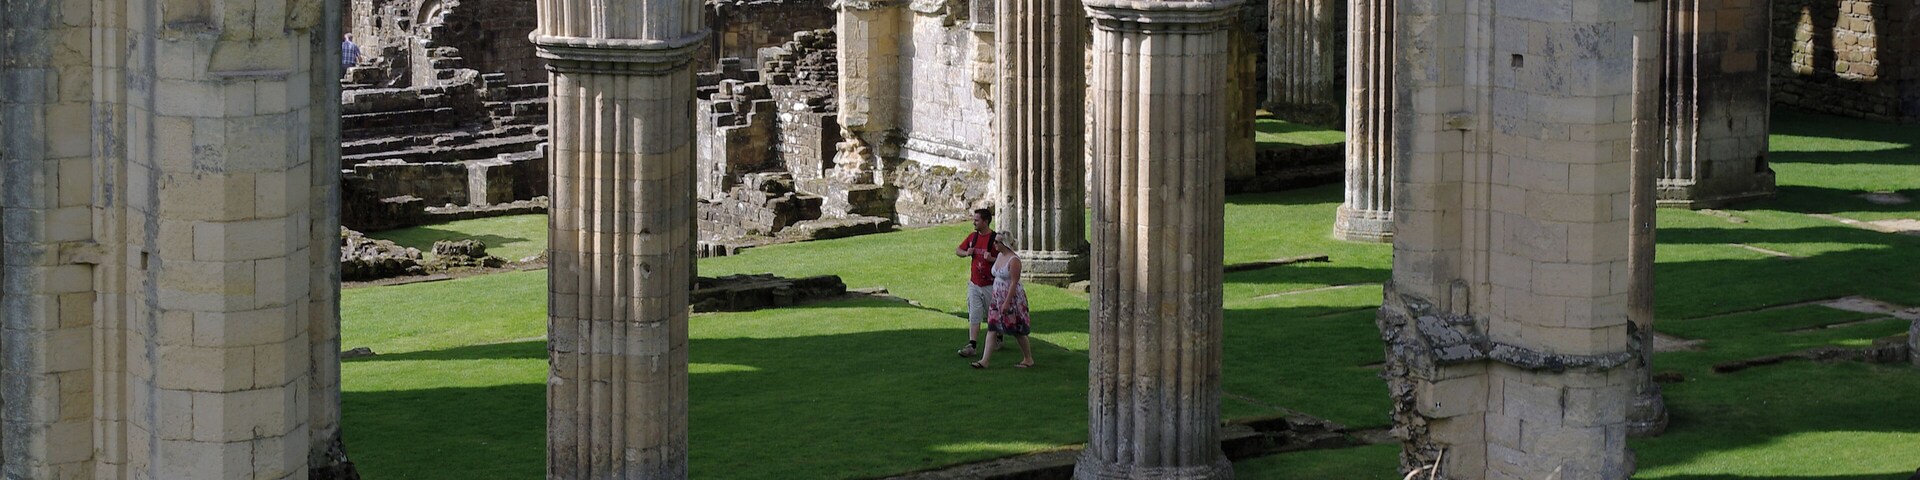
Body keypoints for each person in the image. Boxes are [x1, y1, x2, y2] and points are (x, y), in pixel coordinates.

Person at [970, 233, 1033, 369]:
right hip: (997, 297)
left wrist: (1007, 302)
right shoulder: (999, 256)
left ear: (1005, 244)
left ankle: (1028, 358)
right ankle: (984, 361)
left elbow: (1014, 283)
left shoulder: (1014, 260)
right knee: (992, 327)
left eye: (997, 242)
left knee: (1017, 330)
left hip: (1011, 298)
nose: (994, 244)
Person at [955, 208, 1001, 357]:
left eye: (976, 220)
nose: (973, 222)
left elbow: (1006, 259)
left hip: (991, 285)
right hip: (974, 284)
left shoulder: (995, 239)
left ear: (985, 221)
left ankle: (999, 337)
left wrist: (992, 259)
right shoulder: (972, 237)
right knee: (974, 314)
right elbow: (958, 251)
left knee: (992, 315)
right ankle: (972, 345)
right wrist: (966, 253)